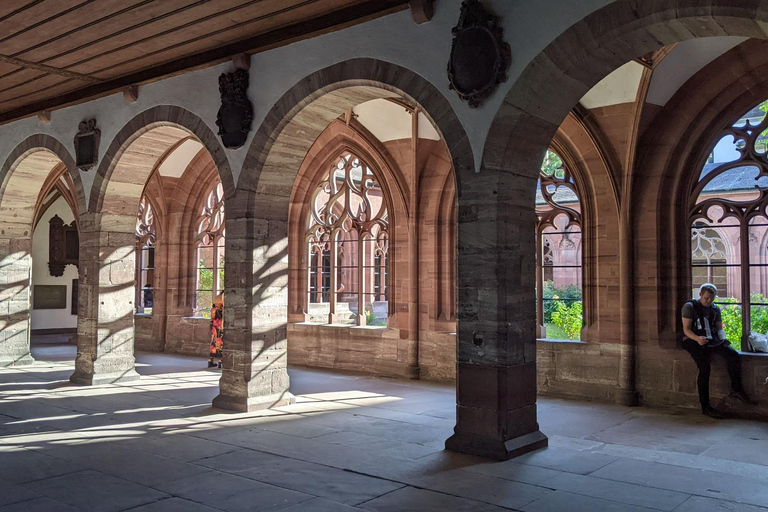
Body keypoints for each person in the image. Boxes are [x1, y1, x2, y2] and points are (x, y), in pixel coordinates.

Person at [682, 283, 752, 418]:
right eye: (706, 298)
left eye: (711, 299)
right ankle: (705, 406)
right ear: (700, 294)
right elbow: (686, 329)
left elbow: (719, 328)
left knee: (733, 355)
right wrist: (697, 339)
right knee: (704, 368)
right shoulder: (690, 307)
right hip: (692, 340)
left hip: (710, 339)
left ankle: (736, 389)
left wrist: (723, 340)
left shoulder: (715, 309)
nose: (709, 301)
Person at [208, 294, 224, 368]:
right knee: (221, 342)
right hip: (220, 326)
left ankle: (210, 360)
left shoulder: (213, 309)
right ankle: (220, 361)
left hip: (214, 327)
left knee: (213, 343)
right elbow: (223, 318)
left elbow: (212, 319)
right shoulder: (222, 309)